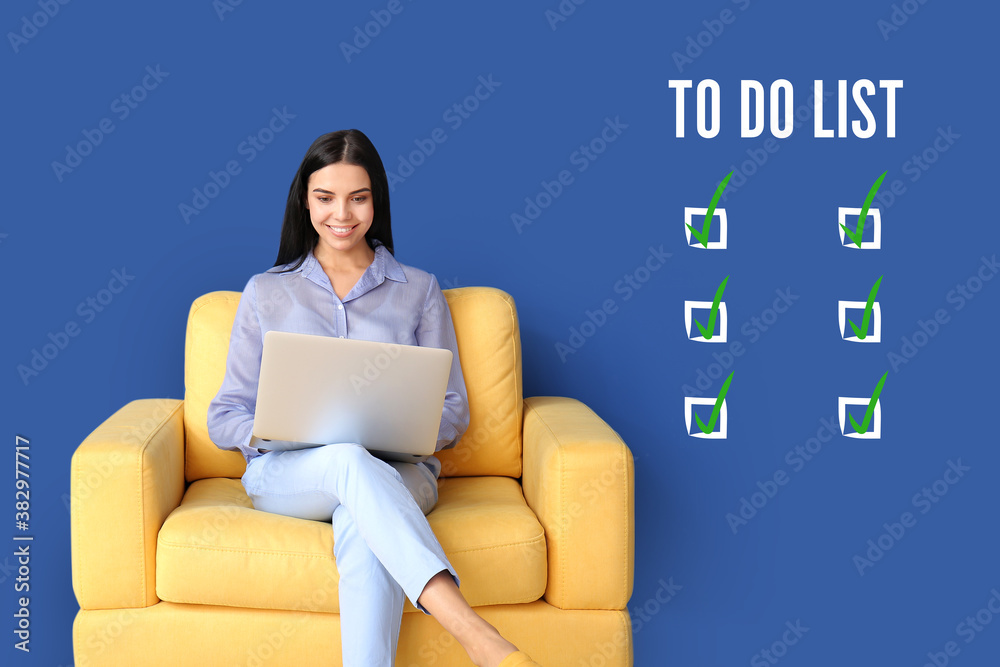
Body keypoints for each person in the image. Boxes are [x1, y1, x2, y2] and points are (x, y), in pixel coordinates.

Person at [207, 129, 541, 667]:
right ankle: (478, 637)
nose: (342, 214)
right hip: (291, 475)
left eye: (358, 198)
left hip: (399, 474)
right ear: (304, 201)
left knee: (363, 525)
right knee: (343, 458)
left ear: (376, 200)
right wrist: (274, 425)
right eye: (325, 198)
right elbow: (223, 415)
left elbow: (454, 408)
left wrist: (405, 427)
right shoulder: (266, 292)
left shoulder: (418, 289)